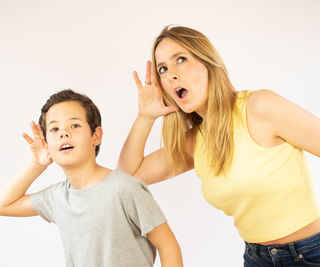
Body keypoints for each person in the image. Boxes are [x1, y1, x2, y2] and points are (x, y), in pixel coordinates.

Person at [118, 25, 320, 266]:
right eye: (162, 69)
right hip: (257, 258)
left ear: (207, 62)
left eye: (180, 59)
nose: (170, 75)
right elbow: (124, 178)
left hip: (310, 253)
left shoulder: (259, 107)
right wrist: (145, 117)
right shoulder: (194, 142)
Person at [0, 89, 183, 267]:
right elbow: (1, 206)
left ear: (96, 136)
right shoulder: (57, 198)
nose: (64, 133)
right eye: (54, 129)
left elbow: (168, 245)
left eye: (74, 125)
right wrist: (37, 165)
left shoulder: (125, 188)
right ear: (46, 144)